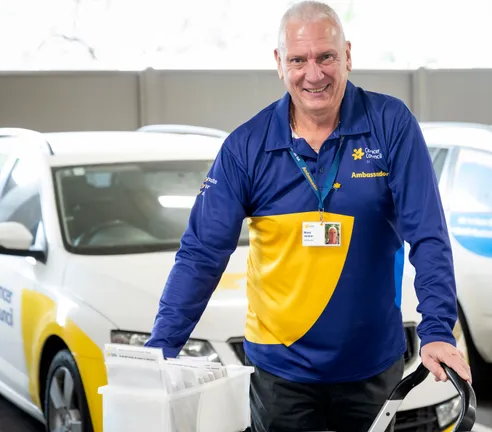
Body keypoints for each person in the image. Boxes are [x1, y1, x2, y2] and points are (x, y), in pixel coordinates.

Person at [145, 1, 470, 430]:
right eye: (298, 60)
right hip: (280, 371)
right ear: (279, 63)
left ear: (348, 55)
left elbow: (428, 234)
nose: (313, 74)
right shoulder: (247, 146)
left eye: (326, 57)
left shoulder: (390, 125)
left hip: (371, 365)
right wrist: (161, 347)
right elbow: (202, 253)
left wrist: (438, 330)